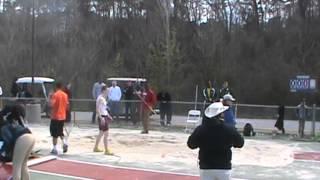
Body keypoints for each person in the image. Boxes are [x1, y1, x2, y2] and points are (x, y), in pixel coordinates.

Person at [187, 102, 244, 180]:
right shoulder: (229, 129)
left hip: (206, 167)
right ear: (220, 115)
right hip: (223, 167)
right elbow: (240, 143)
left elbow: (191, 144)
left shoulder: (201, 129)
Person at [0, 104, 35, 180]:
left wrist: (3, 154)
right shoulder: (14, 124)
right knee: (23, 165)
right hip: (30, 137)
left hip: (22, 139)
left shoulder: (4, 127)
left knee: (16, 168)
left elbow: (7, 141)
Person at [49, 82, 69, 155]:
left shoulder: (55, 95)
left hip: (55, 116)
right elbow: (67, 106)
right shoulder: (65, 95)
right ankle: (64, 143)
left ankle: (54, 148)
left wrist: (50, 97)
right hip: (62, 116)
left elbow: (51, 104)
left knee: (54, 133)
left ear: (56, 87)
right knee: (60, 131)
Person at [93, 86, 114, 155]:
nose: (108, 92)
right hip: (102, 117)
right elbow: (97, 109)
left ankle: (95, 147)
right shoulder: (100, 98)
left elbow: (104, 109)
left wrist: (108, 115)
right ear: (103, 90)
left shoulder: (104, 99)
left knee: (101, 133)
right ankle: (106, 150)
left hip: (104, 116)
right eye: (107, 90)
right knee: (106, 133)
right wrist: (101, 118)